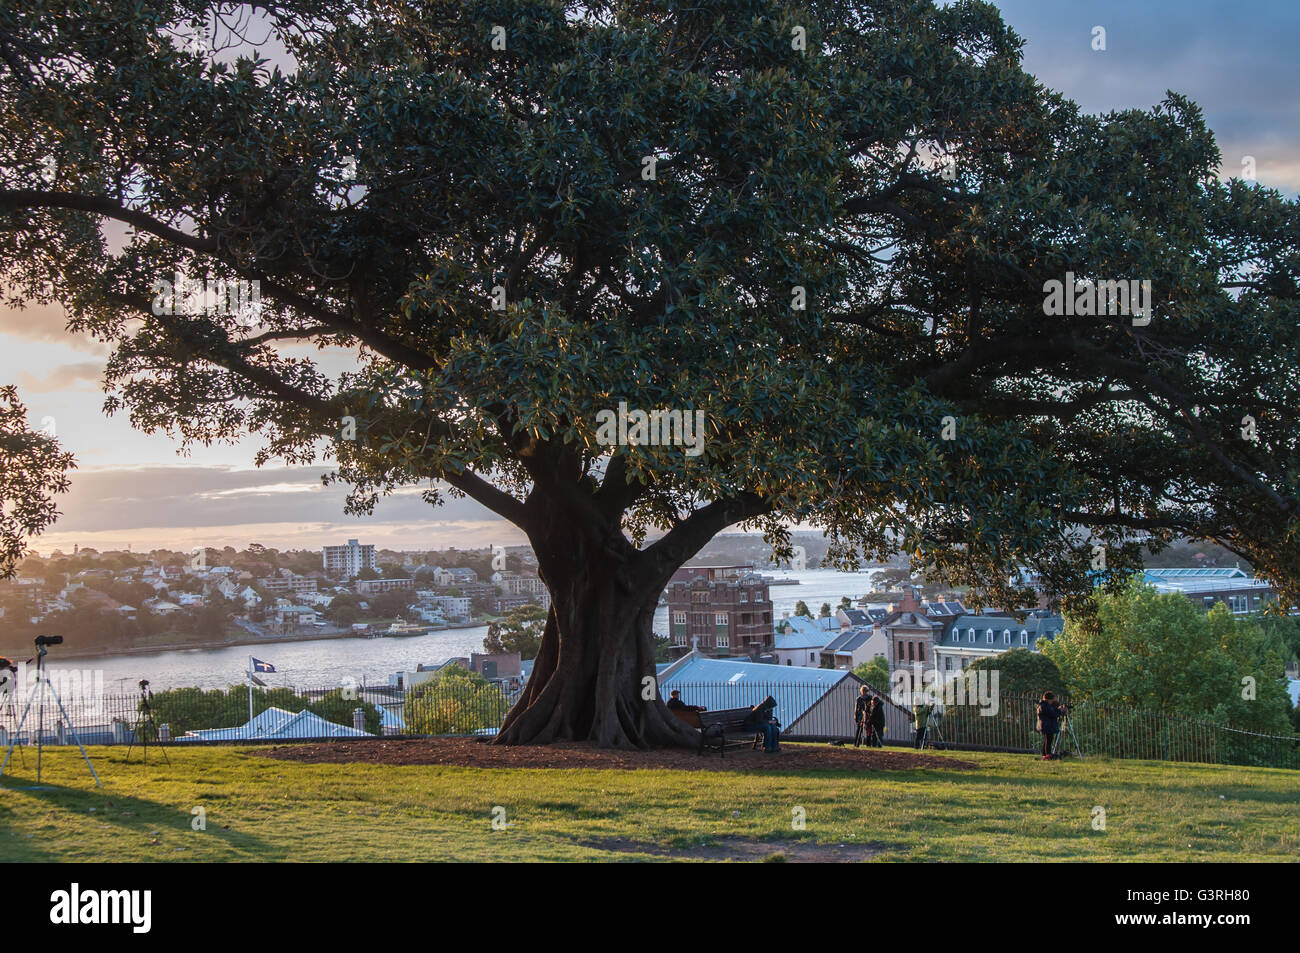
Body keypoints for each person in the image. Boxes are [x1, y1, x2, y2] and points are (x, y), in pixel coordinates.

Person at [1037, 691, 1067, 760]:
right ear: (1048, 699)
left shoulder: (1044, 705)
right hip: (1047, 725)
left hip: (1046, 725)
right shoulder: (1044, 706)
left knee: (1046, 740)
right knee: (1048, 741)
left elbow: (1053, 711)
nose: (1052, 702)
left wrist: (1059, 709)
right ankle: (1047, 754)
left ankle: (1045, 755)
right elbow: (1053, 714)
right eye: (1052, 700)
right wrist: (1060, 711)